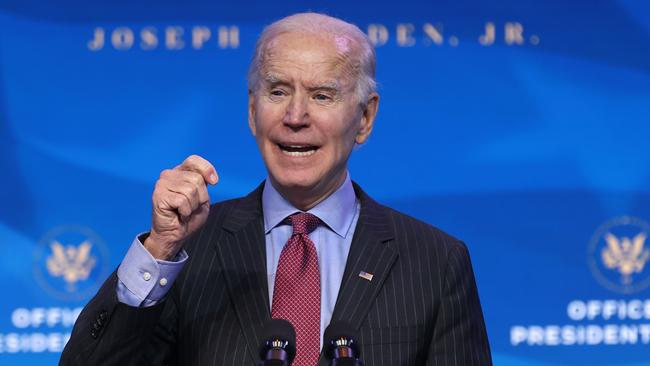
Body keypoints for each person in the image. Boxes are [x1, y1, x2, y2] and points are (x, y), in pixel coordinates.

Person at [60, 12, 492, 366]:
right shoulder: (189, 252)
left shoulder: (435, 262)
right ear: (252, 111)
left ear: (364, 118)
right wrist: (161, 248)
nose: (296, 115)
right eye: (278, 91)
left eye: (322, 95)